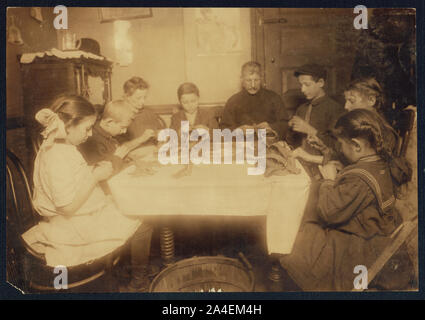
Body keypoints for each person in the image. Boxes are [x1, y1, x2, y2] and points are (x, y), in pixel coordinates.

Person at [22, 95, 154, 292]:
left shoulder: (62, 148)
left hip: (76, 218)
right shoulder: (57, 156)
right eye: (87, 128)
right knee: (140, 217)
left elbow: (72, 181)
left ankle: (119, 271)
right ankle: (132, 278)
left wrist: (91, 172)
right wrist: (94, 178)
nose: (91, 134)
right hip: (71, 228)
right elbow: (67, 207)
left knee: (125, 204)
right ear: (67, 126)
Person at [280, 109, 412, 291]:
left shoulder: (360, 179)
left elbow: (329, 212)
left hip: (360, 248)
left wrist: (329, 180)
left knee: (298, 235)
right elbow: (352, 178)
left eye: (341, 144)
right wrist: (328, 154)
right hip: (371, 231)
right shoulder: (378, 163)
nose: (340, 149)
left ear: (356, 146)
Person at [79, 99, 156, 173]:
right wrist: (119, 158)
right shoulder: (92, 140)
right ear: (109, 122)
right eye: (122, 127)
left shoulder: (109, 135)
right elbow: (104, 172)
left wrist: (132, 161)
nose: (124, 131)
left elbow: (115, 155)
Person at [220, 61, 290, 140]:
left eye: (256, 80)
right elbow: (224, 129)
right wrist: (238, 131)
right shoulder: (233, 101)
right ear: (242, 80)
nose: (253, 85)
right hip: (242, 145)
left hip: (269, 144)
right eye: (248, 80)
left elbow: (285, 124)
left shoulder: (274, 98)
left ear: (261, 79)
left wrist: (271, 127)